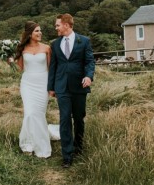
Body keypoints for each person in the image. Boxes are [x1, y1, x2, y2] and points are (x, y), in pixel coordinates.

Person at [48, 13, 95, 168]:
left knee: (79, 118)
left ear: (66, 25)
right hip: (62, 87)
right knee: (64, 119)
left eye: (57, 25)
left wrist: (88, 77)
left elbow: (89, 61)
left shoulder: (84, 41)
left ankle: (78, 147)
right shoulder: (55, 44)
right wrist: (51, 87)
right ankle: (67, 155)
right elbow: (53, 66)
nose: (56, 28)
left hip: (79, 86)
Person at [9, 22, 55, 158]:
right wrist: (11, 61)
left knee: (38, 114)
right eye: (37, 31)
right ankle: (27, 144)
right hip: (27, 84)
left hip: (43, 84)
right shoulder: (22, 49)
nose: (40, 33)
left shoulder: (47, 48)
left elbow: (51, 69)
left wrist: (52, 87)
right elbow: (20, 68)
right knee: (29, 114)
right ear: (29, 34)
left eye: (40, 31)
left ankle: (42, 146)